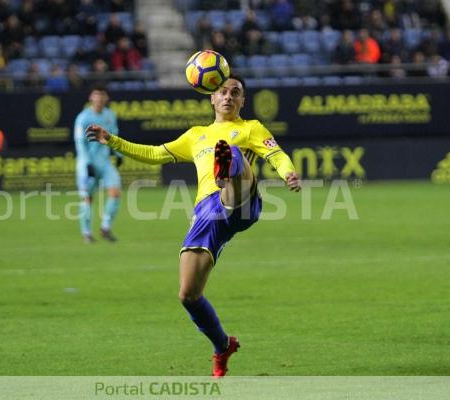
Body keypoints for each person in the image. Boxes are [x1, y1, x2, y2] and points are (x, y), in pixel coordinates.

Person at [86, 75, 301, 377]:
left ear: (243, 101)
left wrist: (288, 173)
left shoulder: (251, 128)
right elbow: (155, 154)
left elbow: (276, 155)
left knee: (231, 152)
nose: (228, 97)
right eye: (222, 92)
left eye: (235, 93)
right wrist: (112, 140)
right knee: (188, 294)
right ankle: (222, 345)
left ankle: (226, 175)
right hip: (207, 213)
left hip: (242, 201)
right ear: (212, 98)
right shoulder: (195, 135)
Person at [74, 85, 122, 243]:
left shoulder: (110, 115)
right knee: (87, 198)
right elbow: (80, 142)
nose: (99, 98)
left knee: (115, 193)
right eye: (96, 95)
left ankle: (105, 227)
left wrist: (118, 154)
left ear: (106, 98)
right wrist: (87, 163)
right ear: (91, 97)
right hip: (87, 163)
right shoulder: (83, 117)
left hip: (105, 162)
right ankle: (86, 233)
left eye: (102, 95)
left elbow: (113, 136)